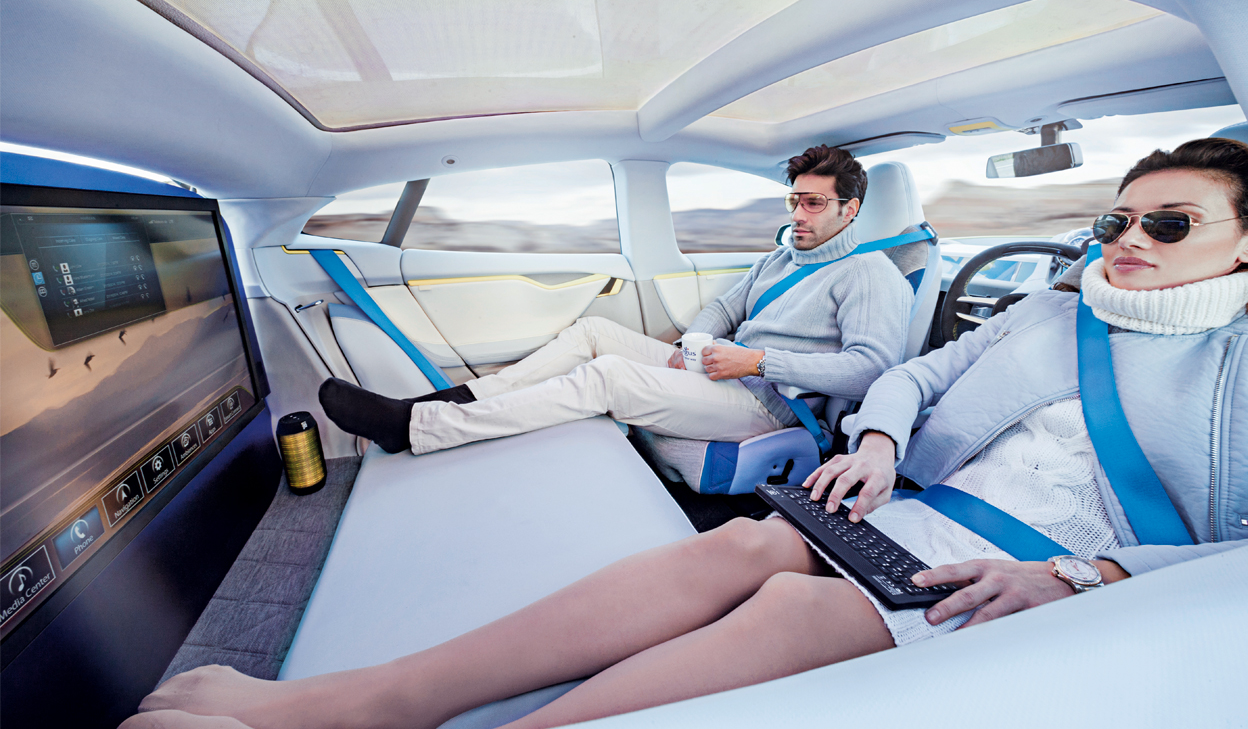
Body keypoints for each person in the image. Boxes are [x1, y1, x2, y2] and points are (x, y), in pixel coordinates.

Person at [126, 138, 1248, 729]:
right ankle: (385, 688)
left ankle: (427, 451)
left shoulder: (873, 274)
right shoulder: (1051, 307)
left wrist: (1091, 575)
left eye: (1170, 223)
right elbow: (911, 383)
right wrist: (876, 447)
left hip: (1045, 559)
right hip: (918, 502)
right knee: (741, 539)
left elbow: (871, 361)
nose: (1129, 239)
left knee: (797, 601)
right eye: (1117, 218)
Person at [317, 145, 915, 456]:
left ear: (850, 210)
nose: (798, 214)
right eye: (794, 201)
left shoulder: (870, 274)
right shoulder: (779, 259)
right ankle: (443, 401)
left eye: (814, 203)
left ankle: (420, 429)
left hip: (773, 405)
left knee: (607, 377)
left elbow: (872, 370)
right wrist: (697, 340)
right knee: (593, 332)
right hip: (725, 371)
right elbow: (725, 311)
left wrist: (756, 361)